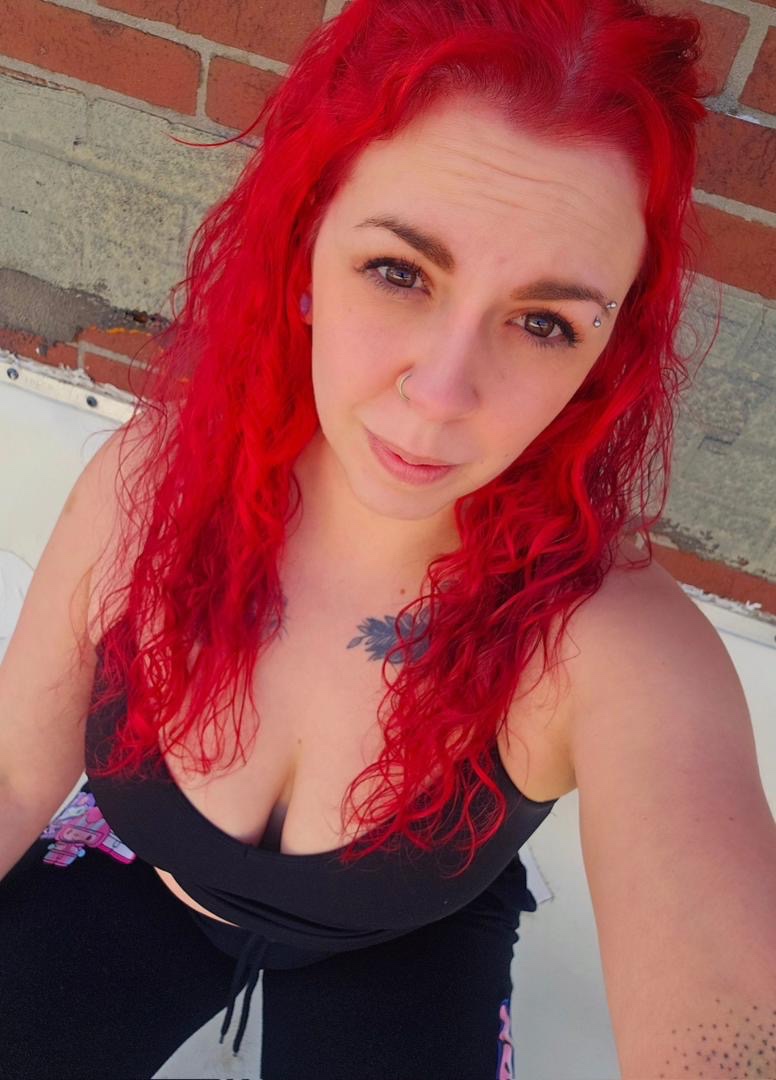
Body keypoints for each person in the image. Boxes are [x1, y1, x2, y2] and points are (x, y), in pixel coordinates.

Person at [2, 1, 774, 1078]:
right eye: (400, 272)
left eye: (543, 322)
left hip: (407, 941)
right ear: (306, 250)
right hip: (140, 867)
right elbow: (13, 774)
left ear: (601, 356)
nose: (443, 394)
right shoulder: (153, 486)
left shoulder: (608, 646)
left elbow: (732, 1025)